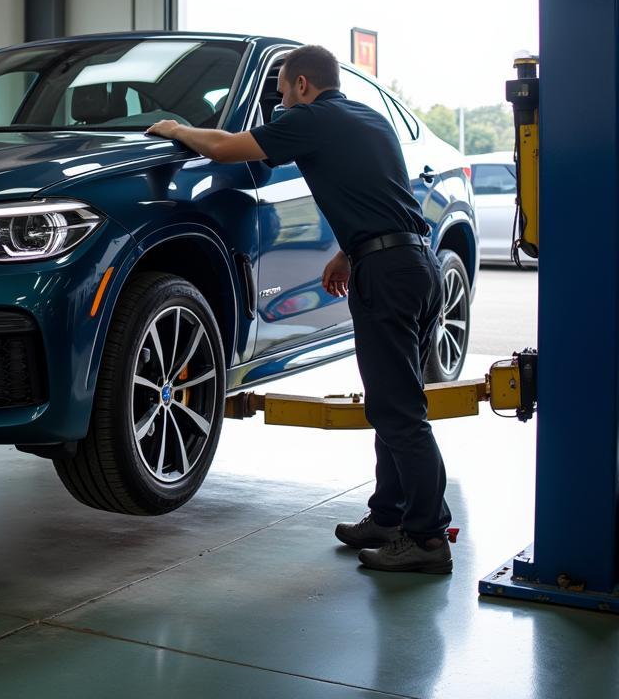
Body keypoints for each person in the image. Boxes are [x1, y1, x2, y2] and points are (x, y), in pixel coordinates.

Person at [146, 44, 453, 575]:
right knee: (395, 402)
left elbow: (224, 147)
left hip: (388, 273)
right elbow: (387, 199)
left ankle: (426, 540)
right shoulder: (367, 117)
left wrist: (176, 130)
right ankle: (389, 516)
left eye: (283, 90)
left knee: (400, 413)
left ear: (304, 85)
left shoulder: (313, 119)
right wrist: (347, 253)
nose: (282, 100)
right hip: (414, 264)